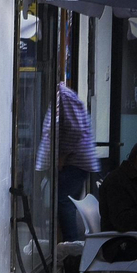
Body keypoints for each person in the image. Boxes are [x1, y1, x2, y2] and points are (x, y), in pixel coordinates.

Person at [37, 81, 99, 241]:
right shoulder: (60, 96)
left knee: (64, 202)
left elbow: (76, 128)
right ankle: (67, 244)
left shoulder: (63, 96)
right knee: (64, 203)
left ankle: (71, 245)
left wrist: (62, 157)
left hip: (73, 162)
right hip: (71, 161)